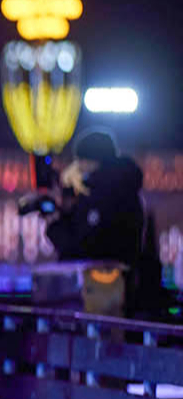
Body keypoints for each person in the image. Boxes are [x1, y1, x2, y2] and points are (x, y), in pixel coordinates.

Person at [46, 131, 165, 318]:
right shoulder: (126, 191)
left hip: (99, 299)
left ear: (91, 161)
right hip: (124, 294)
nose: (79, 169)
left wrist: (55, 226)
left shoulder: (104, 196)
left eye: (81, 162)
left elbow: (85, 248)